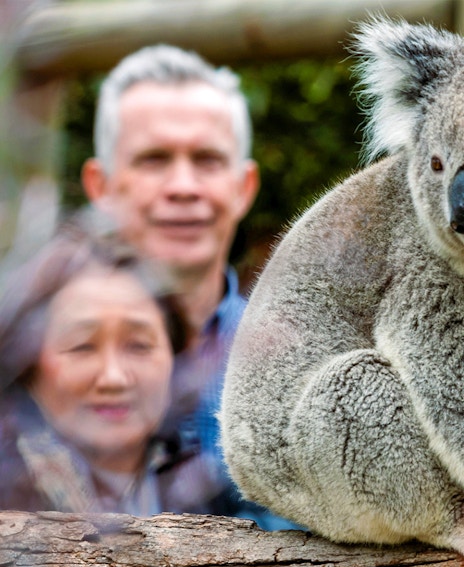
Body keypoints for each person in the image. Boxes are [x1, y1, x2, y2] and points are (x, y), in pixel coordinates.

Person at [80, 44, 298, 528]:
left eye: (207, 159)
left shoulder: (301, 363)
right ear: (101, 187)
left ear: (244, 186)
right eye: (154, 159)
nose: (183, 186)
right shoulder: (32, 366)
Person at [0, 223, 223, 515]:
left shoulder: (220, 490)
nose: (114, 378)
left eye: (139, 345)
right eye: (82, 346)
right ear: (29, 365)